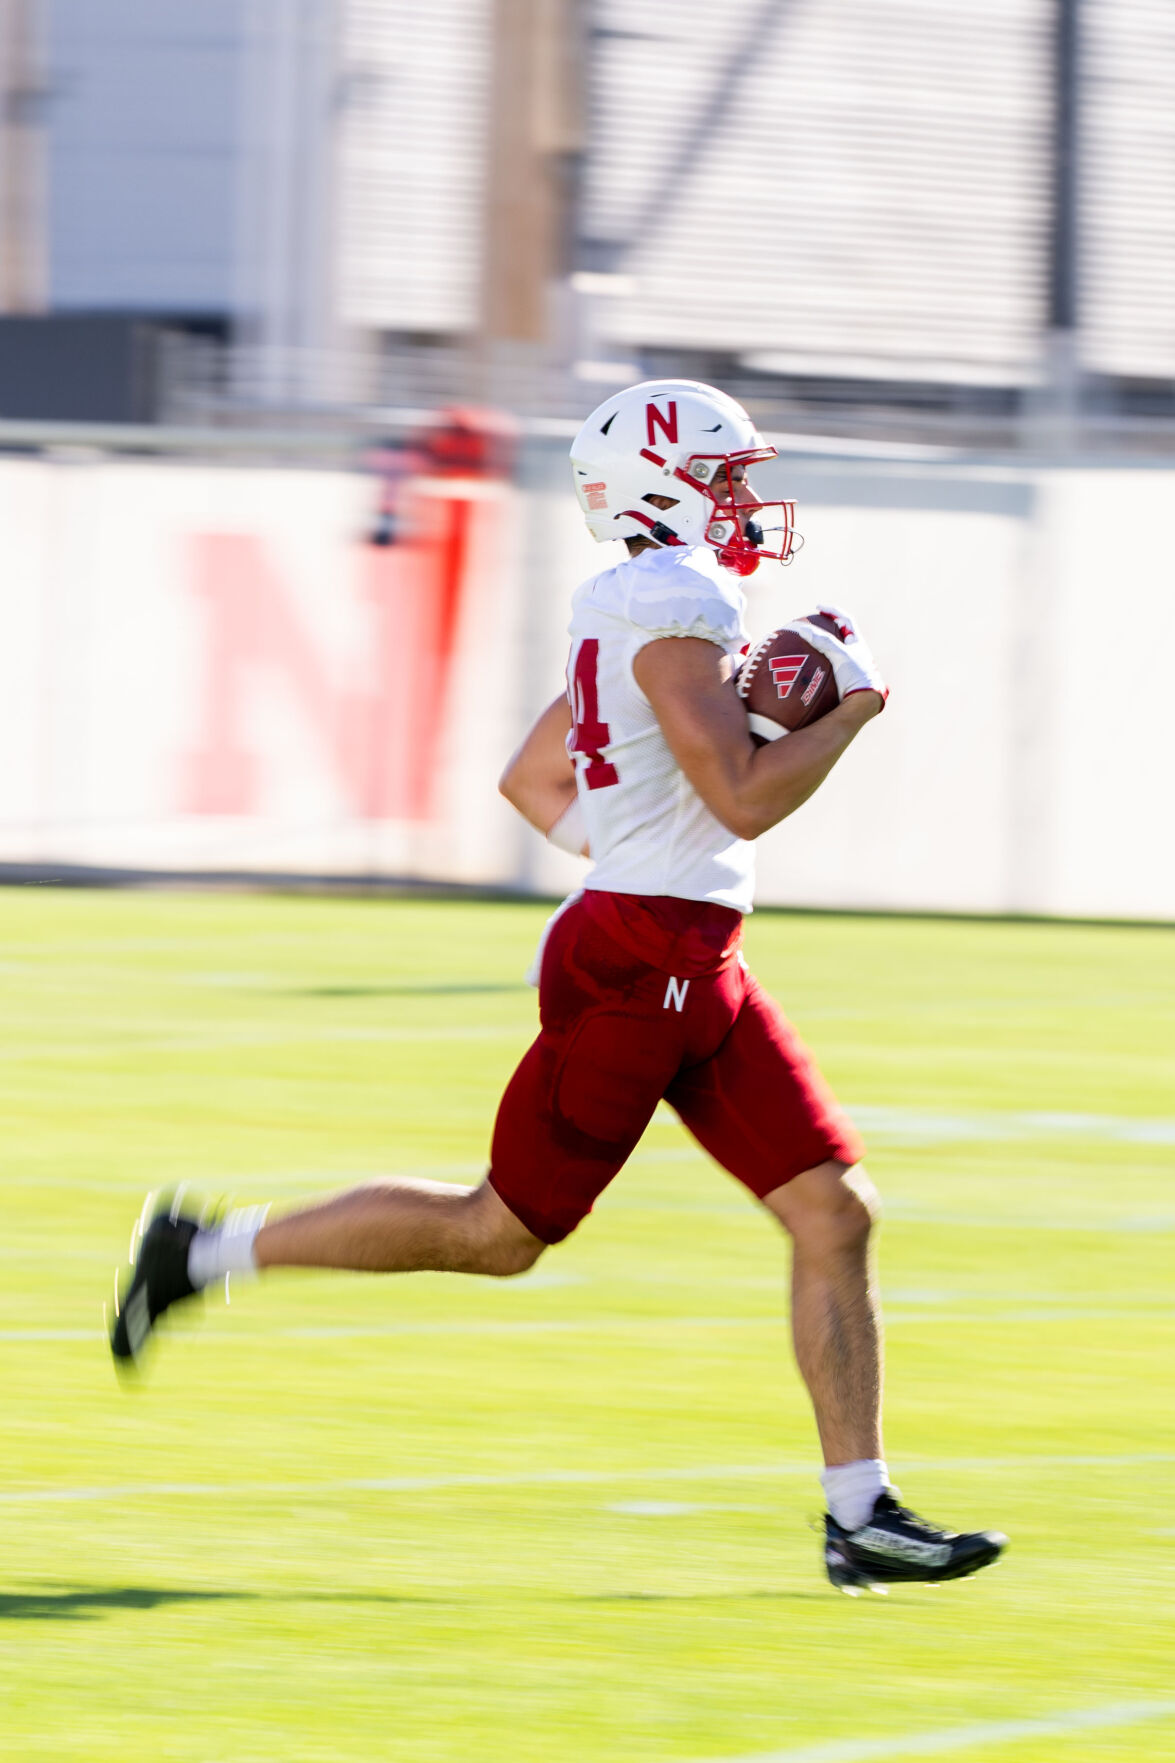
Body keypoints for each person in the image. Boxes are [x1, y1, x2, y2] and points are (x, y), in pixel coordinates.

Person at [110, 379, 1006, 1594]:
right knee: (498, 1234)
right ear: (663, 481)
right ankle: (202, 1251)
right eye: (727, 473)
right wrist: (849, 712)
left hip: (683, 946)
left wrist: (645, 843)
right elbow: (742, 795)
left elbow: (535, 781)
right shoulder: (676, 600)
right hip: (642, 960)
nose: (746, 496)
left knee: (833, 1210)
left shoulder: (648, 600)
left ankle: (860, 1515)